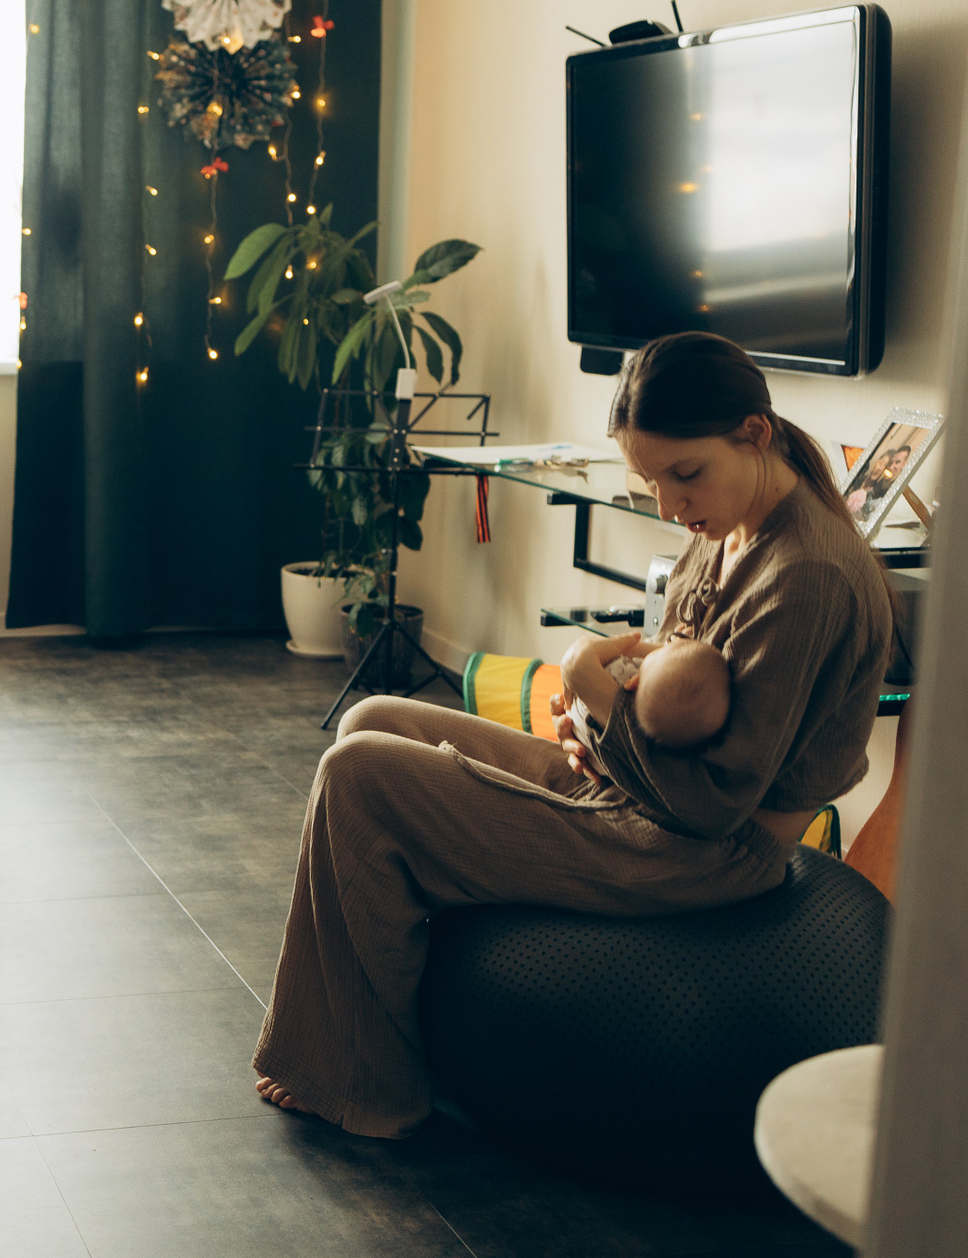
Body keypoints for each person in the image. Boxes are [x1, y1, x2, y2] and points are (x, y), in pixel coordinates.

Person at [250, 331, 892, 1138]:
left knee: (361, 776)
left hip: (705, 855)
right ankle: (359, 1039)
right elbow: (666, 691)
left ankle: (373, 1087)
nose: (669, 506)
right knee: (369, 720)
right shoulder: (730, 526)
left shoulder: (806, 577)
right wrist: (591, 722)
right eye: (651, 482)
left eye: (684, 475)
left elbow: (713, 809)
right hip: (642, 796)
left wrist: (594, 695)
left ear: (754, 434)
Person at [564, 636, 732, 774]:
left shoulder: (625, 672)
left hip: (576, 721)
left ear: (634, 682)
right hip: (598, 765)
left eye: (665, 649)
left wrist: (658, 646)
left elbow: (609, 651)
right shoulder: (662, 730)